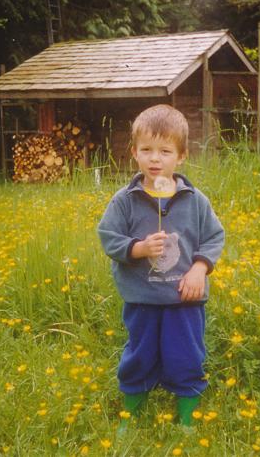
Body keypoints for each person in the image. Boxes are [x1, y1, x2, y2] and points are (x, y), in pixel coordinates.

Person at [97, 104, 225, 431]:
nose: (155, 159)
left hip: (185, 300)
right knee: (139, 356)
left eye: (165, 151)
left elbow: (214, 236)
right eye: (147, 150)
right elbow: (108, 237)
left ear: (181, 156)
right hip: (142, 299)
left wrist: (199, 268)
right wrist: (138, 248)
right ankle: (132, 414)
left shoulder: (195, 200)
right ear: (134, 153)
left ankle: (187, 419)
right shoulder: (124, 200)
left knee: (186, 356)